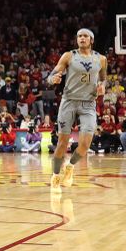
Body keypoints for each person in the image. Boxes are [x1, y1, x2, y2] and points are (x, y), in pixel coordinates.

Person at [47, 29, 106, 193]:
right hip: (69, 102)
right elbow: (51, 75)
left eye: (85, 36)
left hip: (88, 104)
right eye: (79, 36)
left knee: (85, 144)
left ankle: (70, 166)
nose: (82, 38)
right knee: (62, 143)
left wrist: (103, 87)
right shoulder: (69, 56)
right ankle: (56, 176)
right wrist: (53, 79)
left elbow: (104, 79)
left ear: (91, 40)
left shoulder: (101, 59)